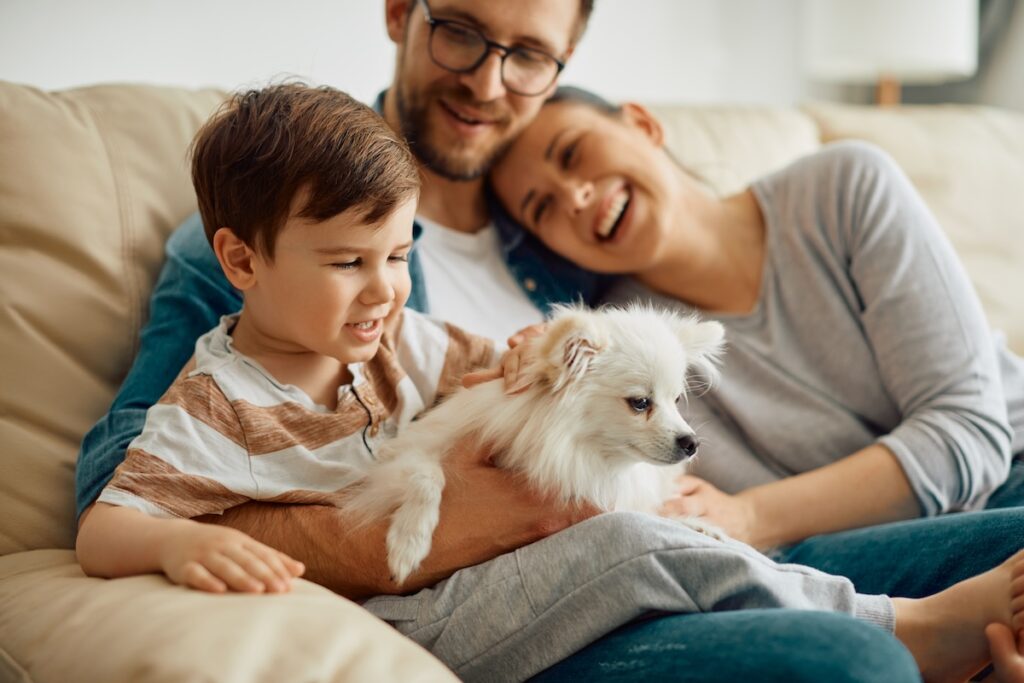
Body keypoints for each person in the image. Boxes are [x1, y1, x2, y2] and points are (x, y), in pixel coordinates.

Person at [69, 2, 961, 681]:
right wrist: (394, 530)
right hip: (529, 581)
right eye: (462, 32)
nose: (491, 83)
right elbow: (125, 474)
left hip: (700, 532)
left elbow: (531, 367)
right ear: (399, 11)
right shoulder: (270, 244)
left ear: (563, 62)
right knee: (854, 663)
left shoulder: (556, 228)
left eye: (530, 54)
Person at [486, 85, 1024, 666]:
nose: (573, 196)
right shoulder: (627, 363)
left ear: (642, 124)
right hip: (853, 544)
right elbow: (780, 552)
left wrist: (749, 513)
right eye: (542, 208)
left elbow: (971, 430)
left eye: (572, 153)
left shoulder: (843, 188)